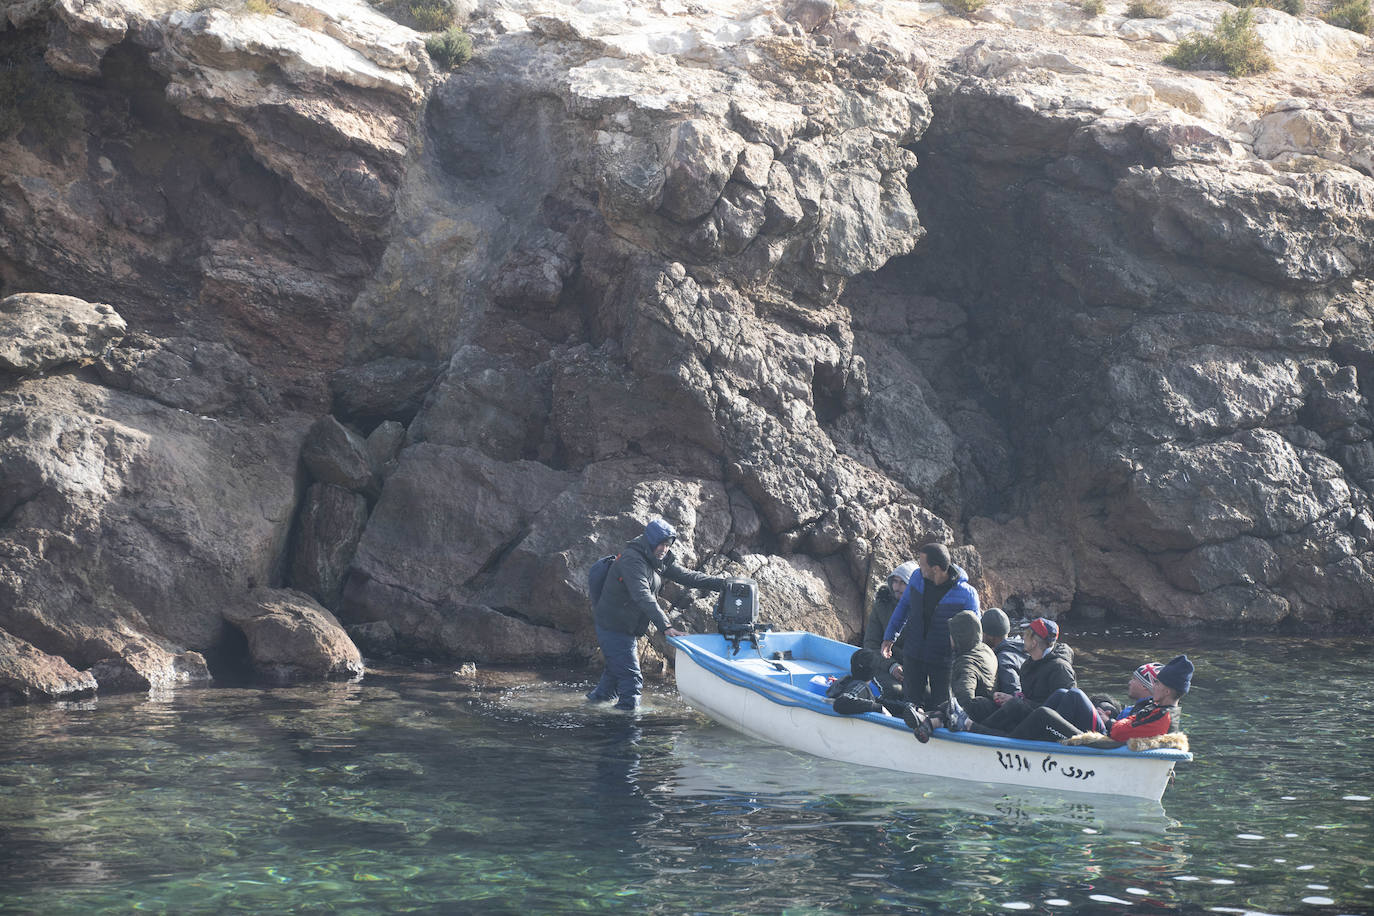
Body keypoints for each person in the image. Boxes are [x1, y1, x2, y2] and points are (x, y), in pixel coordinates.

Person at [587, 518, 728, 711]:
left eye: (668, 545)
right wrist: (667, 627)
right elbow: (643, 596)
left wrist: (723, 584)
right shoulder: (632, 560)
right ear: (651, 542)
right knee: (631, 681)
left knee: (610, 683)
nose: (664, 549)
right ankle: (628, 730)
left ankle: (590, 711)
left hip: (624, 627)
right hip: (613, 627)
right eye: (661, 544)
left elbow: (687, 576)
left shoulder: (657, 558)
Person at [942, 655, 1193, 744]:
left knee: (1049, 712)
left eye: (1158, 683)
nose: (1154, 686)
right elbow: (1130, 723)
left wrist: (1111, 720)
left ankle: (972, 728)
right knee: (1065, 695)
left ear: (1168, 690)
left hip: (1103, 740)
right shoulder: (1158, 706)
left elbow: (1119, 733)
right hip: (1106, 731)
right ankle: (994, 727)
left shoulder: (1163, 716)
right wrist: (1114, 716)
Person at [880, 544, 980, 709]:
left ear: (935, 569)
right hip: (913, 654)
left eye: (922, 564)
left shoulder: (967, 594)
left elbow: (973, 635)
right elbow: (903, 607)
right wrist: (889, 637)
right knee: (911, 704)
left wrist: (966, 664)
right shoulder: (917, 578)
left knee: (941, 707)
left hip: (944, 661)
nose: (918, 567)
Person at [939, 617, 1073, 734]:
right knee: (981, 703)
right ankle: (938, 717)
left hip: (1040, 725)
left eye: (1026, 634)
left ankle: (971, 728)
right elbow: (1028, 696)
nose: (1022, 637)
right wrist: (1014, 697)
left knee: (1014, 706)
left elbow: (1062, 711)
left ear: (1034, 643)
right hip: (1025, 713)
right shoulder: (1029, 663)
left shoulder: (1060, 669)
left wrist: (1019, 702)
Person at [948, 610, 997, 718]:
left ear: (958, 636)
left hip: (976, 718)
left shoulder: (966, 664)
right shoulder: (985, 649)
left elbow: (964, 702)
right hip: (990, 709)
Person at [864, 561, 917, 653]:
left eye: (903, 583)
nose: (897, 586)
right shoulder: (882, 605)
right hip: (884, 658)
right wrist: (890, 665)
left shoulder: (921, 609)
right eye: (895, 581)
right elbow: (871, 643)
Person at [981, 608, 1029, 696]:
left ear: (990, 637)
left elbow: (1014, 693)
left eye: (982, 633)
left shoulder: (1003, 660)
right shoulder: (1022, 645)